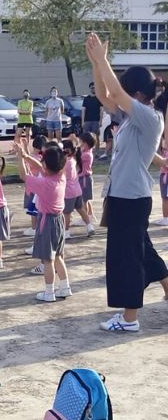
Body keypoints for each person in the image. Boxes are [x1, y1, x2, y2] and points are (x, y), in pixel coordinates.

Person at [86, 33, 168, 332]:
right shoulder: (134, 117)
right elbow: (105, 97)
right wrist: (96, 62)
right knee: (142, 249)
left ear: (136, 92)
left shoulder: (149, 117)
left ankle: (130, 318)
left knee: (128, 259)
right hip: (125, 197)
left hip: (131, 199)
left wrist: (103, 60)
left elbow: (116, 95)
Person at [14, 141, 72, 302]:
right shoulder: (61, 176)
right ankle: (65, 287)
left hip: (47, 222)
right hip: (58, 220)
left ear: (47, 166)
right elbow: (41, 167)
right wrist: (25, 156)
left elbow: (23, 176)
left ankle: (49, 292)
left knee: (48, 260)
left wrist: (20, 158)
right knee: (59, 256)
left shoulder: (44, 183)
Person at [61, 139, 95, 239]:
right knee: (81, 209)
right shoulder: (73, 160)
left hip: (69, 192)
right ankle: (89, 226)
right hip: (77, 190)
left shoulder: (66, 162)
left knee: (66, 213)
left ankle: (66, 231)